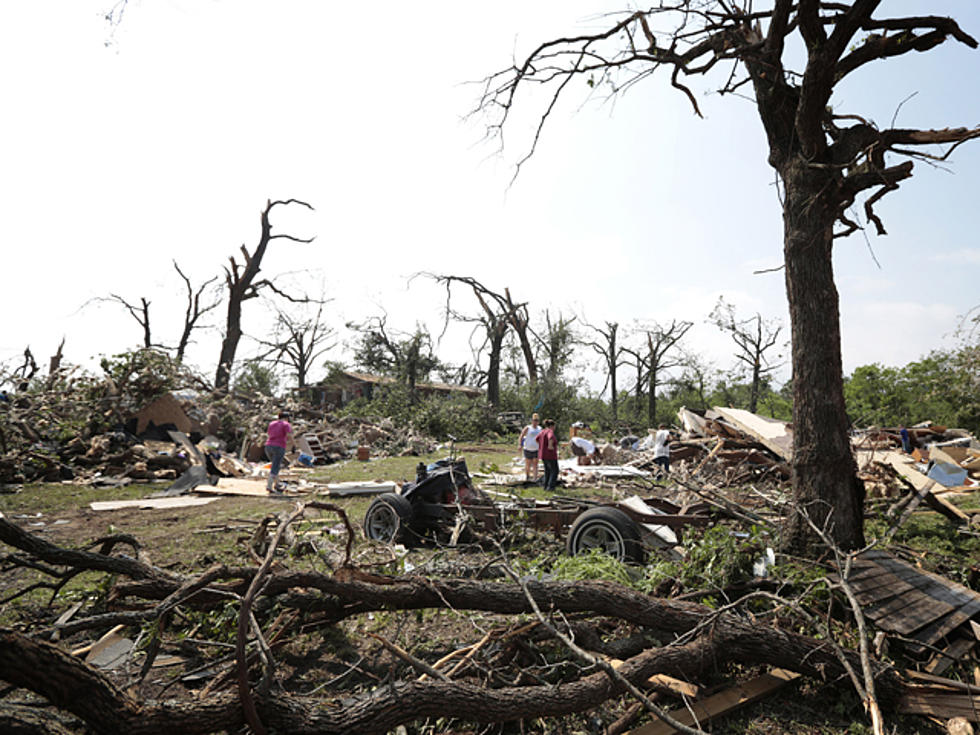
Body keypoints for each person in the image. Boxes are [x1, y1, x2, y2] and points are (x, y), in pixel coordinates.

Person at [265, 411, 293, 492]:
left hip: (268, 446)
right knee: (275, 466)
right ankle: (269, 486)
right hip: (279, 446)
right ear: (287, 418)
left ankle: (277, 484)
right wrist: (294, 445)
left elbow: (269, 433)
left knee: (275, 465)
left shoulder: (272, 423)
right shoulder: (286, 424)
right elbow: (289, 435)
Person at [518, 413, 543, 482]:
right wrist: (520, 444)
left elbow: (541, 438)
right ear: (532, 421)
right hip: (528, 448)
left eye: (537, 420)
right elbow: (521, 436)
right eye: (534, 420)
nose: (535, 422)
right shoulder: (528, 428)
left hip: (536, 449)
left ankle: (535, 478)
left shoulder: (540, 428)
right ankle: (527, 476)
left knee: (535, 464)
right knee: (528, 464)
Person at [538, 419, 559, 492]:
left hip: (543, 454)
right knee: (555, 471)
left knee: (547, 471)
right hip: (550, 455)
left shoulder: (542, 431)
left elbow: (537, 439)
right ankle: (550, 487)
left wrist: (542, 446)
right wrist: (550, 446)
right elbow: (550, 437)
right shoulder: (550, 431)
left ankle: (545, 486)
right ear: (552, 426)